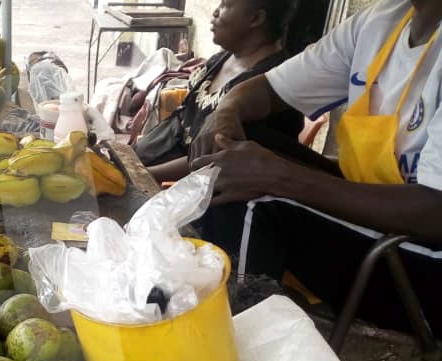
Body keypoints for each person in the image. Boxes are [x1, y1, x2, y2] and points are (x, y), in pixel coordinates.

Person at [190, 0, 442, 333]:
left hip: (428, 263)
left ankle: (243, 360)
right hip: (376, 216)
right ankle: (205, 312)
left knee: (257, 203)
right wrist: (223, 115)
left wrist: (278, 176)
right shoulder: (382, 21)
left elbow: (435, 212)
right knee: (243, 147)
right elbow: (267, 88)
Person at [134, 0, 303, 183]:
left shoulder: (267, 90)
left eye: (225, 5)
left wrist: (141, 176)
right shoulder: (223, 58)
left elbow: (215, 161)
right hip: (149, 159)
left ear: (256, 18)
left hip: (181, 189)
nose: (215, 12)